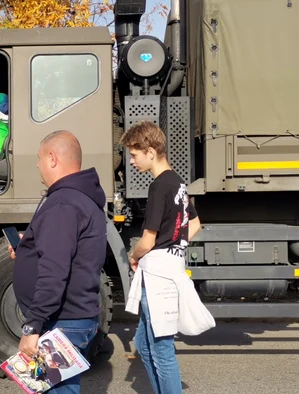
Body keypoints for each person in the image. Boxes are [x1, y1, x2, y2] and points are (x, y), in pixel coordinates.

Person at [8, 130, 107, 394]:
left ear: (52, 158)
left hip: (61, 321)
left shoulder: (63, 203)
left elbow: (54, 270)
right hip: (75, 317)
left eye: (39, 159)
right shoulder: (81, 199)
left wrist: (32, 325)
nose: (38, 165)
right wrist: (29, 245)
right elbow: (69, 253)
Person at [119, 120, 214, 394]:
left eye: (135, 155)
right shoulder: (178, 183)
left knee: (160, 349)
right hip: (169, 269)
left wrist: (133, 256)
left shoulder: (159, 186)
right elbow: (194, 224)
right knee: (146, 343)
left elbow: (147, 240)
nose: (133, 162)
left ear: (150, 151)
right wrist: (176, 246)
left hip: (158, 275)